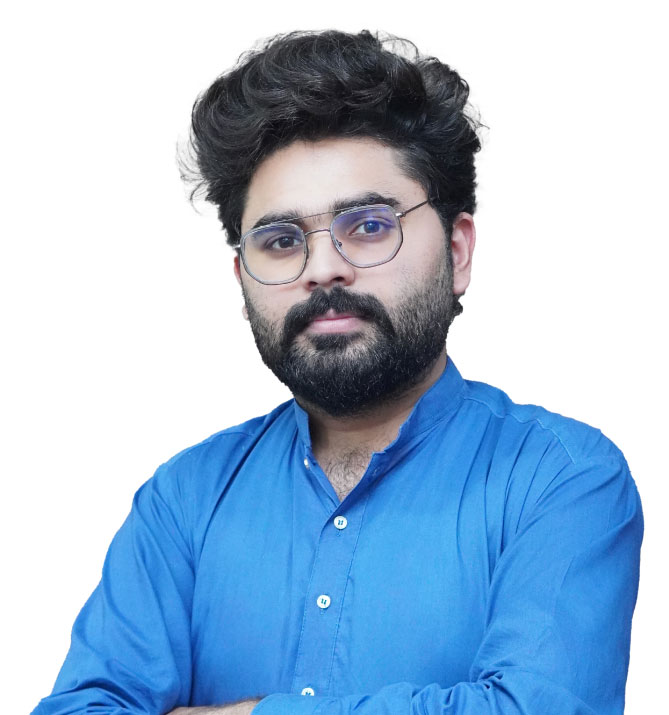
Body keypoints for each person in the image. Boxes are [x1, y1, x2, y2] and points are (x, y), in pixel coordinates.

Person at [33, 29, 643, 715]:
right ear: (242, 279)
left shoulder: (560, 478)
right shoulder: (185, 500)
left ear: (457, 251)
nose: (323, 268)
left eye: (369, 225)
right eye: (280, 240)